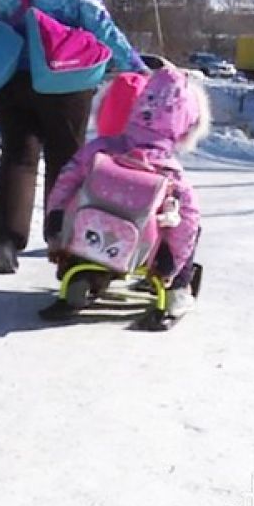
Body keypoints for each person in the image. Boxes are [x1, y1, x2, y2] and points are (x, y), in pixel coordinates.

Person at [0, 0, 148, 273]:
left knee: (17, 158)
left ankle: (5, 242)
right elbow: (102, 27)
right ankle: (63, 242)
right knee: (67, 161)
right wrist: (134, 67)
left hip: (12, 81)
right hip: (66, 83)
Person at [41, 65, 210, 327]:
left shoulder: (103, 148)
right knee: (188, 223)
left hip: (87, 241)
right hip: (142, 251)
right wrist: (169, 265)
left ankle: (81, 273)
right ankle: (178, 290)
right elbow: (185, 225)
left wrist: (55, 226)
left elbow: (66, 181)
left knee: (86, 198)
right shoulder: (169, 172)